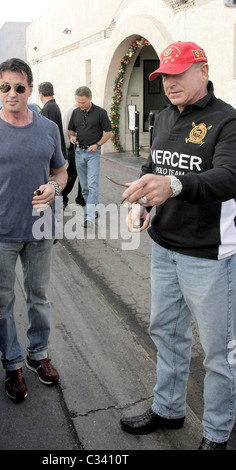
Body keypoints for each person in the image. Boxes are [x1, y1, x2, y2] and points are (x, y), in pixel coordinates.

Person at [119, 41, 236, 450]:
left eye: (179, 72)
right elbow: (154, 167)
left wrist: (176, 185)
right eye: (164, 75)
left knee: (219, 355)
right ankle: (168, 409)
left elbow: (228, 177)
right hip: (164, 249)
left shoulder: (228, 121)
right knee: (167, 334)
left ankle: (218, 433)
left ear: (203, 69)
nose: (170, 82)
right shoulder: (163, 117)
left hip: (210, 257)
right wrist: (142, 205)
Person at [0, 58, 67, 403]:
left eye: (19, 87)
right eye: (4, 87)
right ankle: (12, 364)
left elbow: (61, 172)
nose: (11, 94)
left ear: (30, 89)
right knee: (2, 302)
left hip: (40, 229)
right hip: (0, 232)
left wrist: (55, 187)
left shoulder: (48, 129)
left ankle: (38, 355)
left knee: (40, 298)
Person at [68, 86, 112, 228]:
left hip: (93, 154)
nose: (80, 105)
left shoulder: (100, 113)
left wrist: (98, 145)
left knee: (92, 185)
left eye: (83, 102)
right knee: (85, 187)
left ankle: (89, 217)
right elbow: (71, 130)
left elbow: (108, 132)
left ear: (90, 98)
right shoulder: (75, 113)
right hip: (79, 152)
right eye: (78, 102)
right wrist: (72, 137)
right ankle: (93, 209)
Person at [62, 103, 85, 209]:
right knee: (72, 173)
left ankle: (81, 198)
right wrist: (68, 147)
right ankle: (62, 197)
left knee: (83, 174)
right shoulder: (70, 111)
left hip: (84, 147)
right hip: (73, 147)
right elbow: (65, 130)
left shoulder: (87, 110)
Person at [39, 81, 66, 158]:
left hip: (53, 154)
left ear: (41, 94)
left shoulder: (48, 108)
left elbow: (48, 133)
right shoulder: (52, 106)